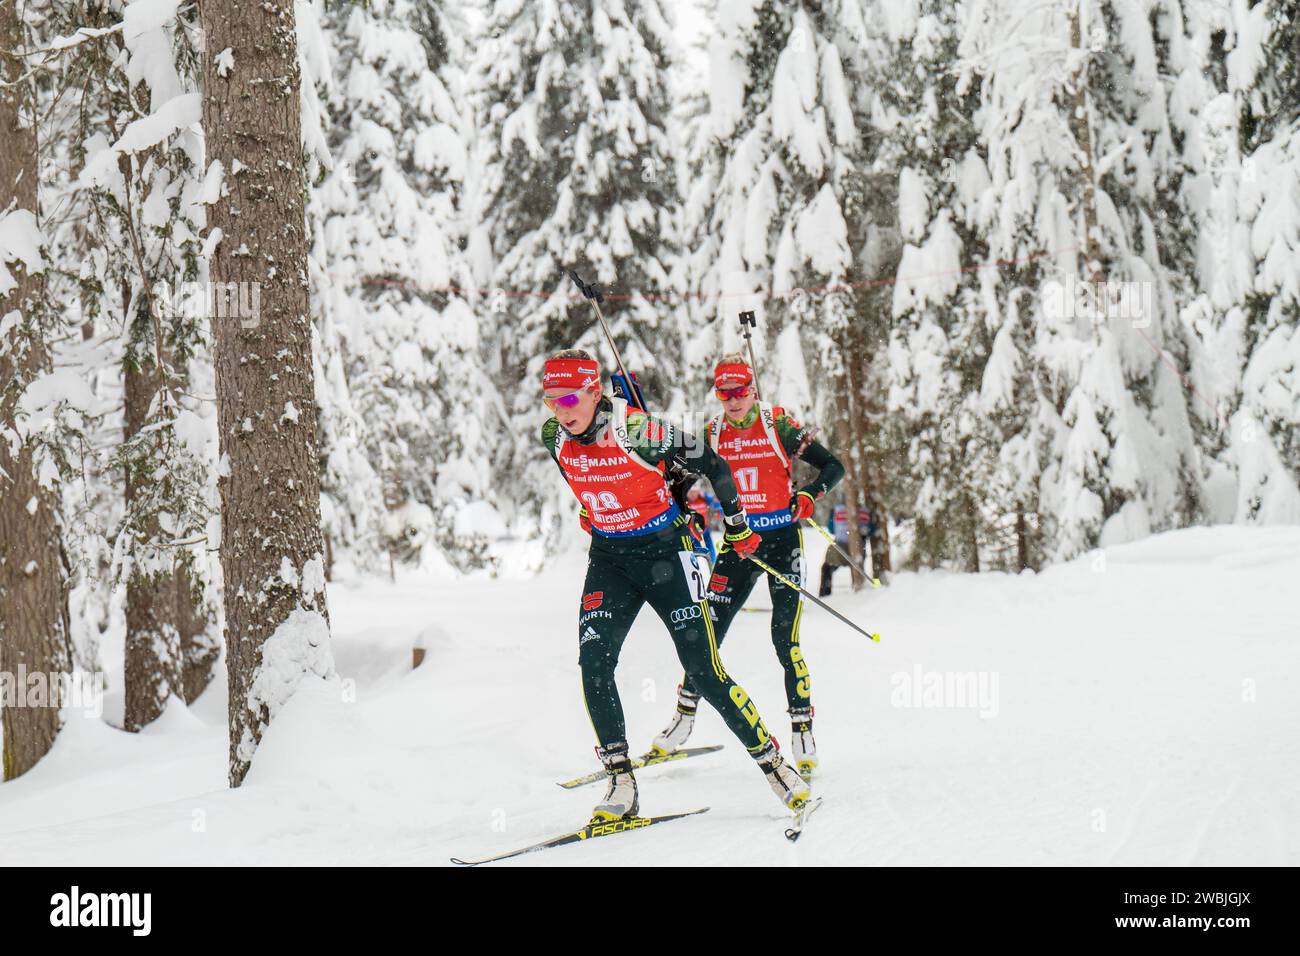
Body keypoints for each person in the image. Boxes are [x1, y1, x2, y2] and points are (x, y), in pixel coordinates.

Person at [540, 348, 810, 822]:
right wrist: (593, 507)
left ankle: (774, 766)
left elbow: (716, 466)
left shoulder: (641, 431)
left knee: (702, 667)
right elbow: (581, 479)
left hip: (666, 553)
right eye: (550, 401)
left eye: (568, 399)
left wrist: (740, 524)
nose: (560, 412)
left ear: (593, 390)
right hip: (610, 559)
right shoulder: (552, 436)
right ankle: (621, 780)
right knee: (594, 662)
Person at [651, 355, 844, 780]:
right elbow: (676, 481)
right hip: (739, 545)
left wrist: (810, 494)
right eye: (724, 393)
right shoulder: (712, 433)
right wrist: (687, 512)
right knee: (706, 637)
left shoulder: (778, 425)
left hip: (781, 542)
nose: (733, 400)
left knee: (784, 639)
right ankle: (683, 719)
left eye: (740, 391)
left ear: (752, 390)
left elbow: (834, 466)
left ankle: (801, 731)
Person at [819, 501, 877, 596]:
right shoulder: (866, 511)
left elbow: (831, 529)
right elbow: (871, 531)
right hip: (858, 546)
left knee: (826, 567)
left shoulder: (837, 509)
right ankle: (858, 588)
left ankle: (824, 593)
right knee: (855, 565)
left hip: (839, 547)